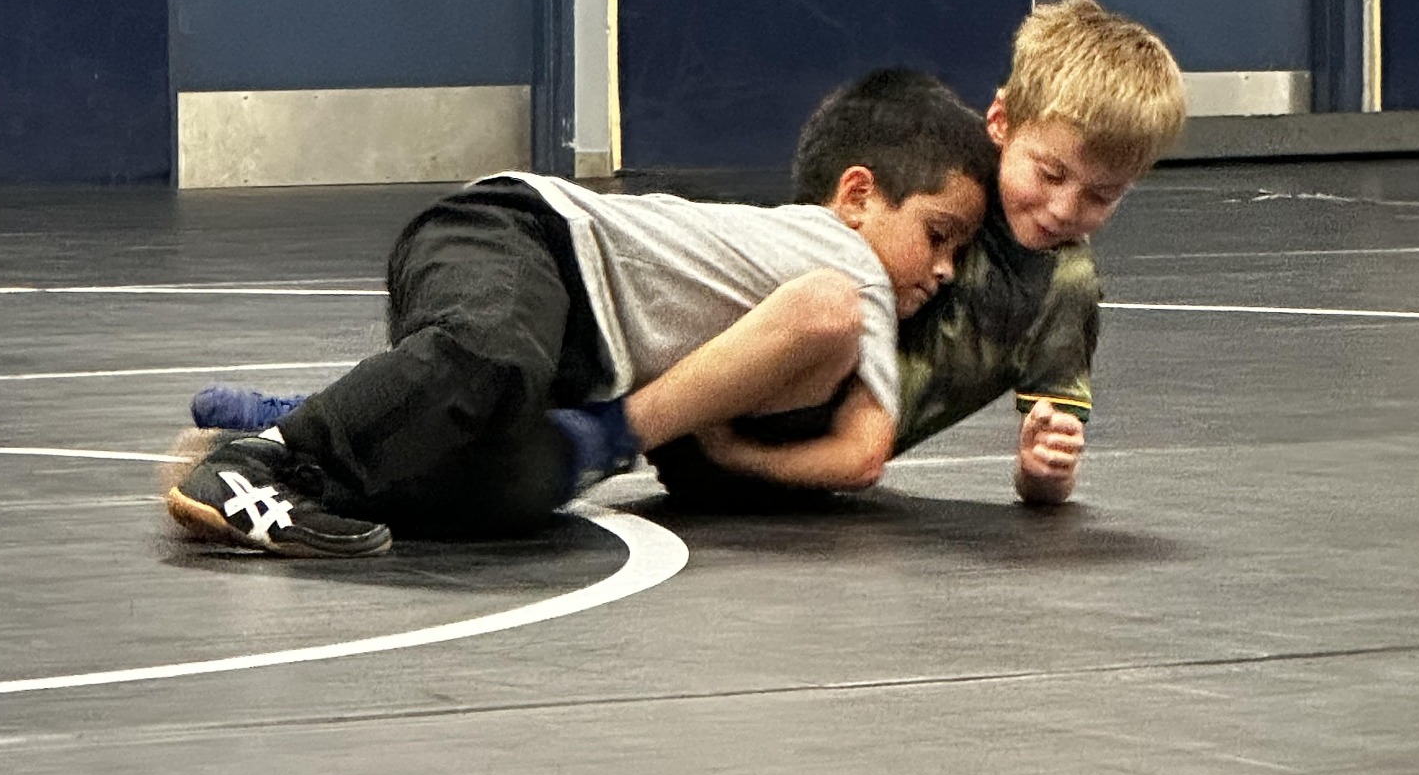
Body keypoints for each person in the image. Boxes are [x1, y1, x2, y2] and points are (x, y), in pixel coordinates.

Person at [165, 70, 994, 557]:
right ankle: (267, 460)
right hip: (529, 236)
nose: (945, 270)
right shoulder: (850, 267)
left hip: (566, 342)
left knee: (517, 486)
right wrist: (730, 451)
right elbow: (861, 451)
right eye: (939, 235)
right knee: (498, 358)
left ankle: (284, 429)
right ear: (857, 197)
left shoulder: (818, 267)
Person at [647, 0, 1186, 508]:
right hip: (705, 392)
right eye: (1050, 174)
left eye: (1101, 195)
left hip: (807, 468)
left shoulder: (1063, 287)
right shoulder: (939, 176)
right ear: (1000, 121)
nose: (1065, 209)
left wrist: (1043, 470)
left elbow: (1045, 472)